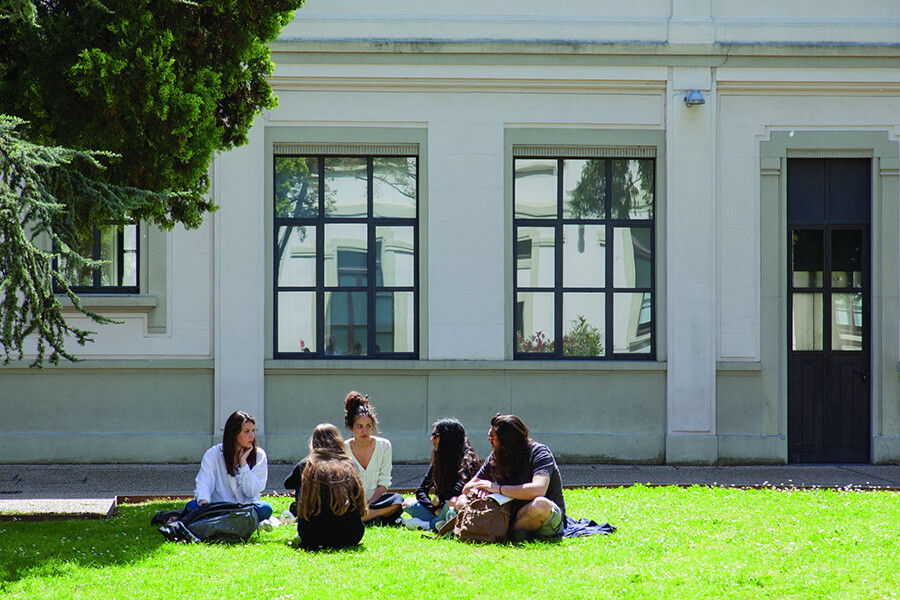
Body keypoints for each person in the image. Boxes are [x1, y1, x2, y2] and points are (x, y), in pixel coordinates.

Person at [460, 413, 565, 541]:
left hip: (540, 516)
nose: (489, 440)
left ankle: (504, 532)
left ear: (506, 440)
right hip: (509, 515)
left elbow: (538, 489)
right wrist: (481, 489)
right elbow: (467, 488)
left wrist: (497, 488)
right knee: (461, 500)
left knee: (540, 505)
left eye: (492, 437)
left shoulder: (539, 453)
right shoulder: (495, 457)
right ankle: (510, 532)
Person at [285, 423, 367, 549]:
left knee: (301, 478)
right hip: (351, 534)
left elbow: (288, 483)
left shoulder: (306, 465)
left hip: (312, 535)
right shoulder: (350, 465)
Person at [188, 410, 273, 523]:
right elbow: (203, 484)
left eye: (253, 431)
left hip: (246, 508)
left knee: (265, 508)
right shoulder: (214, 454)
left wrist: (243, 464)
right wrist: (204, 505)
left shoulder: (259, 455)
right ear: (234, 433)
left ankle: (228, 520)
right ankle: (224, 519)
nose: (251, 436)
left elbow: (252, 492)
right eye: (246, 431)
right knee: (192, 506)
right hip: (219, 508)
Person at [402, 418, 482, 530]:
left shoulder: (467, 460)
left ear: (448, 438)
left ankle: (429, 525)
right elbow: (421, 490)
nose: (431, 439)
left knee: (452, 503)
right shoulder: (439, 458)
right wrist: (434, 509)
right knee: (407, 503)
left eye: (435, 435)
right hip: (439, 510)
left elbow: (459, 489)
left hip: (454, 507)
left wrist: (439, 498)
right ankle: (439, 523)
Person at [343, 391, 403, 524]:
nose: (365, 431)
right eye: (359, 427)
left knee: (397, 501)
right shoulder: (343, 448)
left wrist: (369, 504)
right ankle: (367, 517)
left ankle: (361, 518)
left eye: (368, 426)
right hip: (352, 502)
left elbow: (384, 482)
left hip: (376, 502)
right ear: (351, 428)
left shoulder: (384, 445)